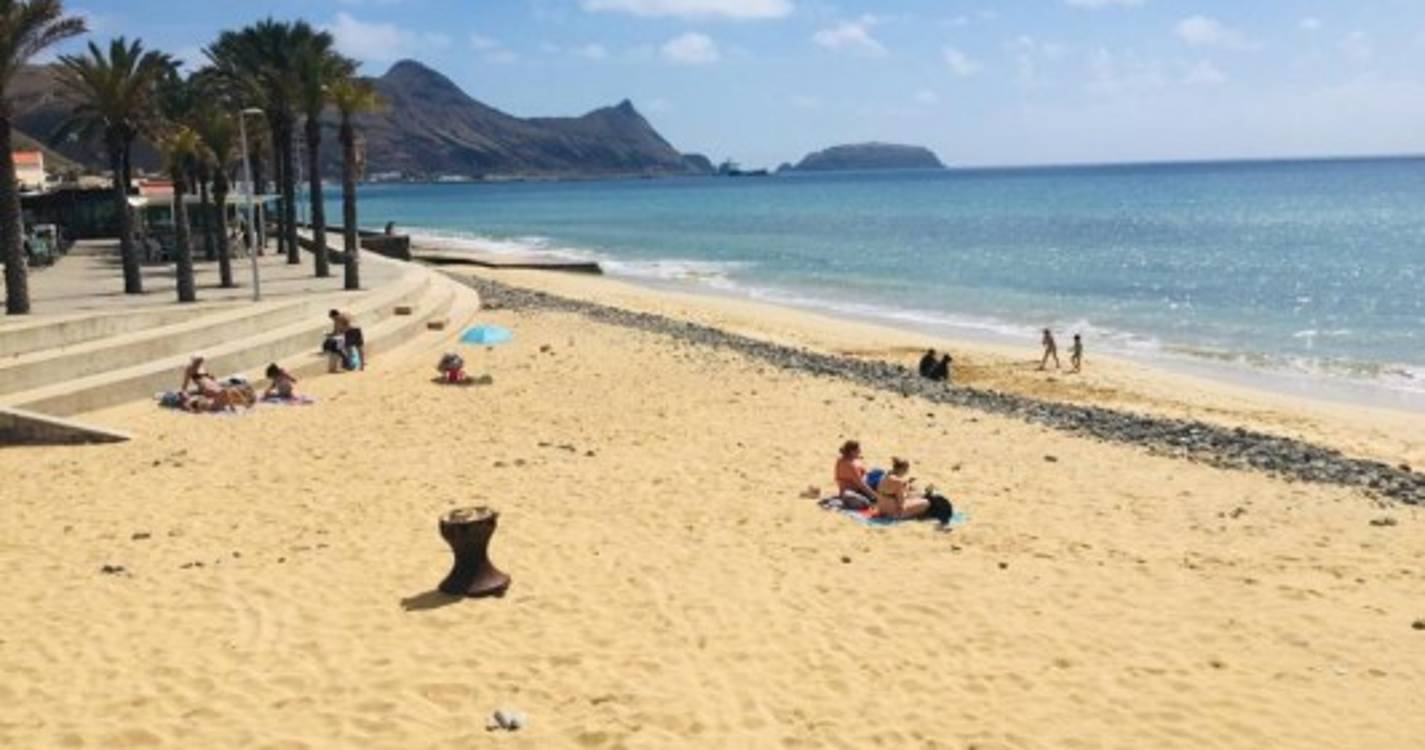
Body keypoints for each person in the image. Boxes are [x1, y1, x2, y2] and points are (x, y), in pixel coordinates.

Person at [834, 440, 880, 510]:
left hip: (858, 486)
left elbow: (863, 472)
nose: (860, 452)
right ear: (852, 452)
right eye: (858, 451)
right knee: (865, 502)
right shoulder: (849, 465)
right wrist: (876, 496)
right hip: (853, 490)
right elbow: (861, 484)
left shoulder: (846, 460)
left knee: (878, 472)